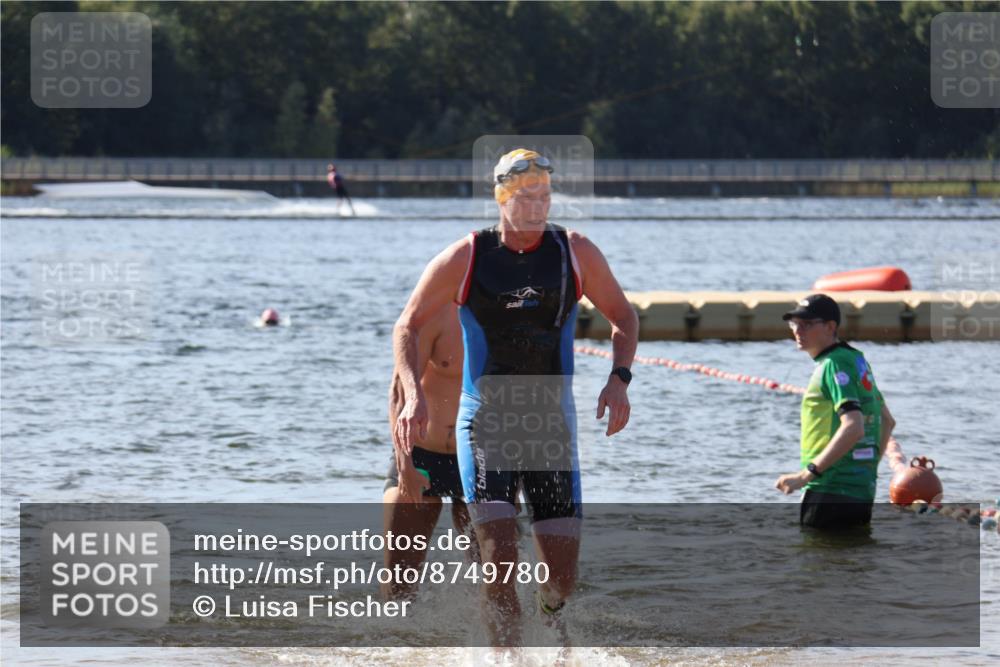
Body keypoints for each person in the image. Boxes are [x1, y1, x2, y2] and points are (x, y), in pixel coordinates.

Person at [392, 148, 638, 646]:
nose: (538, 205)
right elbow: (408, 324)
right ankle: (506, 658)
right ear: (502, 198)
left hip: (550, 430)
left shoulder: (575, 252)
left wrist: (619, 379)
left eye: (545, 195)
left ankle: (549, 615)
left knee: (562, 578)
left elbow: (624, 317)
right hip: (485, 425)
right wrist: (413, 395)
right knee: (499, 561)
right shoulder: (468, 256)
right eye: (526, 196)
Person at [775, 294, 897, 529]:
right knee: (849, 562)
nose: (798, 331)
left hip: (828, 488)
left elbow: (853, 426)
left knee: (816, 562)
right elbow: (887, 421)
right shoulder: (856, 359)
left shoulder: (833, 364)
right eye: (794, 324)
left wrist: (805, 475)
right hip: (861, 490)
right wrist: (865, 471)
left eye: (807, 324)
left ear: (831, 327)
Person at [383, 303, 472, 599]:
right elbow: (399, 392)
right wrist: (405, 464)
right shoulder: (437, 314)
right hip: (422, 454)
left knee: (493, 583)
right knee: (397, 588)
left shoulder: (507, 316)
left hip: (479, 460)